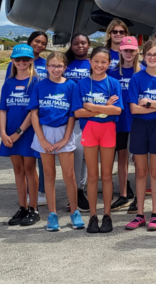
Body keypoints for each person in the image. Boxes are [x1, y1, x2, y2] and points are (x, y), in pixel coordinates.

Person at [29, 51, 84, 232]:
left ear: (65, 67)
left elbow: (72, 115)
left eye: (59, 66)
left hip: (64, 133)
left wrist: (66, 138)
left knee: (69, 175)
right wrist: (42, 139)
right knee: (49, 175)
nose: (55, 69)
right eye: (52, 65)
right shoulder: (39, 85)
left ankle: (75, 212)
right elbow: (34, 113)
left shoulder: (71, 86)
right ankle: (52, 214)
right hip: (44, 132)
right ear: (46, 67)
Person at [124, 40, 156, 232]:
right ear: (143, 57)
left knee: (155, 172)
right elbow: (134, 109)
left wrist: (147, 101)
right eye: (149, 54)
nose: (152, 58)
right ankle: (139, 214)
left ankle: (155, 214)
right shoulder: (137, 78)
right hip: (139, 127)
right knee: (140, 172)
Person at [73, 46, 124, 234]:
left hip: (108, 129)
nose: (100, 65)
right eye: (96, 61)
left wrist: (92, 107)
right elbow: (78, 111)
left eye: (104, 62)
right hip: (89, 129)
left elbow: (117, 110)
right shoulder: (82, 84)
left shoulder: (113, 83)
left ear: (109, 63)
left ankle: (108, 215)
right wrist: (105, 107)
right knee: (93, 176)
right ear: (90, 62)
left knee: (107, 176)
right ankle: (93, 215)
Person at [3, 31, 49, 207]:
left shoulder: (43, 68)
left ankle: (39, 195)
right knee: (21, 166)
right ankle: (25, 202)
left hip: (37, 118)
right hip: (17, 123)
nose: (39, 44)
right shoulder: (12, 73)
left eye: (43, 42)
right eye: (36, 41)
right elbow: (5, 103)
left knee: (36, 162)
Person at [0, 44, 42, 227]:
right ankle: (22, 206)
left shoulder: (36, 82)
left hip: (27, 132)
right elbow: (2, 109)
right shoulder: (8, 83)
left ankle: (33, 208)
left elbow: (33, 112)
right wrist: (3, 133)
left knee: (30, 169)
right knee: (18, 170)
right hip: (9, 133)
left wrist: (18, 133)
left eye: (26, 59)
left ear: (31, 60)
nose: (22, 62)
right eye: (18, 59)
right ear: (13, 61)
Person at [109, 36, 141, 212]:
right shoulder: (112, 72)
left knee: (138, 160)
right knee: (121, 158)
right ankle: (123, 195)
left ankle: (138, 195)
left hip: (138, 121)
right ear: (120, 51)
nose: (129, 53)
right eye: (126, 50)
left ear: (137, 51)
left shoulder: (143, 71)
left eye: (132, 50)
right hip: (119, 122)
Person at [64, 33, 92, 212]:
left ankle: (81, 189)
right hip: (69, 115)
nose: (80, 46)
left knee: (86, 155)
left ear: (88, 45)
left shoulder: (92, 63)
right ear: (71, 45)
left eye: (83, 43)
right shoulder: (65, 63)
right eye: (76, 43)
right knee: (74, 152)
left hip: (89, 115)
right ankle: (73, 191)